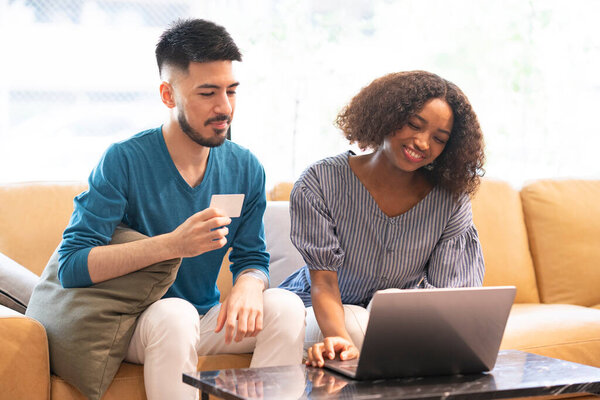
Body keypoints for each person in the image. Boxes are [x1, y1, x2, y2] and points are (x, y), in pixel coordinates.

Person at [57, 19, 305, 399]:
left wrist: (250, 284)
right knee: (175, 314)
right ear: (168, 95)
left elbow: (252, 256)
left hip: (205, 318)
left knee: (285, 306)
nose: (224, 107)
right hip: (141, 321)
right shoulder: (123, 161)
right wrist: (172, 245)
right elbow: (72, 266)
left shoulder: (245, 166)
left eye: (231, 91)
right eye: (208, 93)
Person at [279, 70, 486, 368]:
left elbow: (449, 297)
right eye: (414, 125)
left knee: (388, 310)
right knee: (359, 324)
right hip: (316, 308)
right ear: (387, 115)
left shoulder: (450, 201)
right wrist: (339, 340)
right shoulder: (320, 181)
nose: (423, 143)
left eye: (439, 139)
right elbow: (323, 283)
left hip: (387, 313)